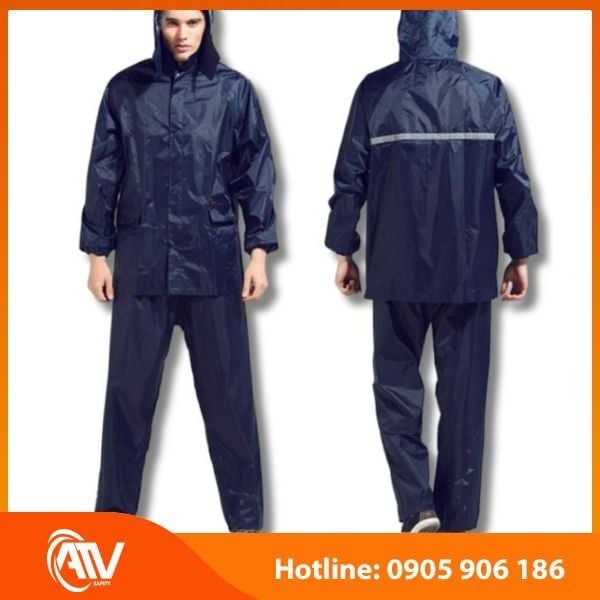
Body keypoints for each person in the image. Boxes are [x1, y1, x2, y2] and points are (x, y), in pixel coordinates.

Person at [325, 10, 537, 533]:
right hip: (467, 270)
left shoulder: (375, 91)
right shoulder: (486, 91)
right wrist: (520, 253)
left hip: (395, 268)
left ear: (404, 26)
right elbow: (512, 178)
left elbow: (349, 178)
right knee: (464, 398)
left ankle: (418, 507)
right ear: (451, 26)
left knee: (396, 391)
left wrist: (344, 249)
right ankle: (459, 521)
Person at [79, 10, 277, 532]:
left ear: (208, 23)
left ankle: (246, 527)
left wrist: (259, 251)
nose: (182, 35)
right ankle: (112, 526)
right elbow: (104, 171)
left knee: (229, 400)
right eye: (171, 23)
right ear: (156, 24)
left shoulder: (233, 91)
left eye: (192, 22)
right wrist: (97, 254)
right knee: (128, 397)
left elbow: (255, 173)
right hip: (142, 263)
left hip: (213, 263)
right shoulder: (126, 90)